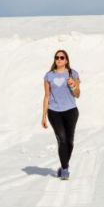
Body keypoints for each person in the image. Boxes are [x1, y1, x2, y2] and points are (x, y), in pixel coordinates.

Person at [41, 49, 81, 180]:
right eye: (57, 57)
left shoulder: (72, 74)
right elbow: (46, 96)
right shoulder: (49, 76)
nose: (59, 59)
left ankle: (65, 164)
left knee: (69, 141)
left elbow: (78, 94)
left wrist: (74, 86)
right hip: (54, 112)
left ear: (66, 60)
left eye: (62, 57)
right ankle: (64, 169)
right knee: (62, 139)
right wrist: (44, 116)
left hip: (71, 111)